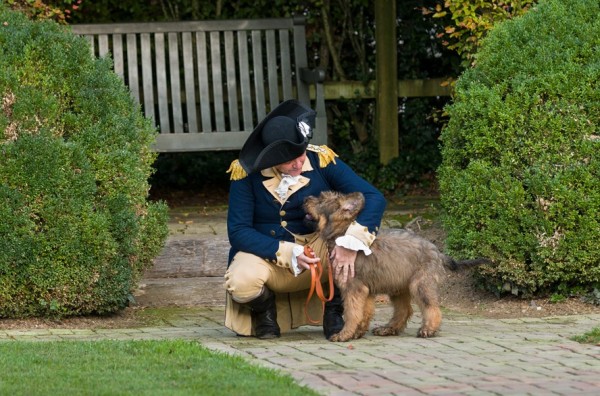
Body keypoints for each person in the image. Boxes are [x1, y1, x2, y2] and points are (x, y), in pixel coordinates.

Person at [224, 99, 386, 339]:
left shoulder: (321, 160)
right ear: (271, 159)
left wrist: (350, 242)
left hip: (320, 251)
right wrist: (285, 251)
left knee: (355, 247)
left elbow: (373, 197)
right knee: (241, 280)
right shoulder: (245, 173)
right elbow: (238, 231)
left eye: (301, 155)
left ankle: (334, 311)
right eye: (291, 161)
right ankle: (265, 314)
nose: (300, 162)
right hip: (270, 257)